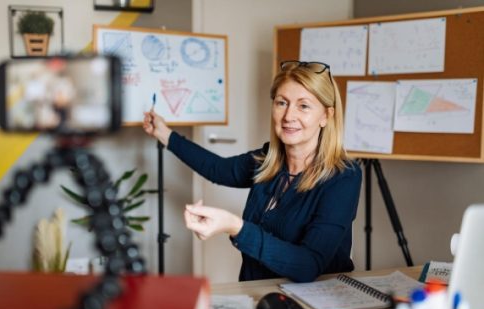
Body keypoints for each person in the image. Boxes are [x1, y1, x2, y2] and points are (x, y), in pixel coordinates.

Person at [142, 61, 361, 283]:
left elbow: (308, 265)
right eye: (282, 103)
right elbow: (217, 169)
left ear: (326, 115)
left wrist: (236, 227)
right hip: (259, 293)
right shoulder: (267, 160)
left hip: (316, 306)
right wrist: (165, 134)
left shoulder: (343, 176)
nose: (288, 116)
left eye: (303, 106)